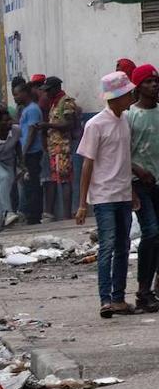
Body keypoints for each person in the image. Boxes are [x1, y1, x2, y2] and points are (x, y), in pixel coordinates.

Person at [76, 71, 138, 318]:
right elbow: (87, 165)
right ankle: (106, 299)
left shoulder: (125, 120)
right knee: (108, 247)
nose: (131, 96)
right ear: (117, 97)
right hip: (103, 197)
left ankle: (119, 298)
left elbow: (125, 160)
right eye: (128, 93)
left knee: (122, 247)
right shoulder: (95, 125)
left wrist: (131, 191)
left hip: (123, 194)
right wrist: (82, 203)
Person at [128, 64, 159, 312]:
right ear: (138, 87)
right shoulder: (131, 116)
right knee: (150, 232)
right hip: (139, 185)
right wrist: (137, 172)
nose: (154, 85)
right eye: (148, 81)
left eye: (155, 81)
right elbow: (121, 154)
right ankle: (143, 290)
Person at [37, 77, 79, 221]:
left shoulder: (65, 103)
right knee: (60, 180)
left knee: (65, 180)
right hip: (55, 148)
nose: (46, 94)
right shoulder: (54, 103)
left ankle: (67, 215)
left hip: (63, 148)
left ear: (56, 88)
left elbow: (68, 124)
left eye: (48, 90)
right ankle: (66, 215)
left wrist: (47, 126)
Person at [16, 82, 45, 224]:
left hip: (32, 152)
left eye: (17, 94)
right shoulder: (26, 109)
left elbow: (32, 131)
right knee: (28, 184)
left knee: (33, 184)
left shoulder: (32, 109)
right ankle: (30, 213)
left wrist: (24, 151)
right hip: (28, 152)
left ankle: (34, 215)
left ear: (25, 93)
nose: (15, 97)